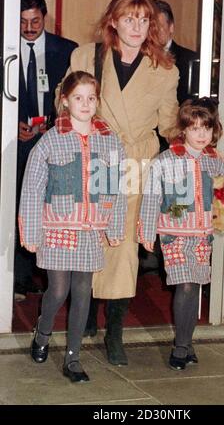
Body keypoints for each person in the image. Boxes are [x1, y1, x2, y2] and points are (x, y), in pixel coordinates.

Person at [63, 0, 179, 365]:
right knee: (90, 241)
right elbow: (63, 107)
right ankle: (86, 318)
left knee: (124, 249)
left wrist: (198, 145)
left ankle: (115, 332)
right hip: (94, 157)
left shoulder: (165, 69)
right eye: (129, 18)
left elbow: (168, 125)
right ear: (113, 20)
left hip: (136, 163)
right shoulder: (86, 55)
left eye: (144, 19)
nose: (137, 26)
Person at [18, 71, 127, 382]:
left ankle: (73, 358)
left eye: (91, 98)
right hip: (56, 229)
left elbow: (115, 188)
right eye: (78, 98)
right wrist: (31, 232)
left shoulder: (109, 143)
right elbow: (33, 188)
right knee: (58, 290)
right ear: (65, 101)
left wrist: (114, 225)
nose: (85, 104)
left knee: (83, 292)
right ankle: (43, 331)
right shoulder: (50, 141)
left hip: (90, 230)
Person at [139, 97, 224, 370]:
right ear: (183, 130)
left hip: (202, 234)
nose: (201, 135)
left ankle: (187, 340)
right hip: (173, 234)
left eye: (206, 129)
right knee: (184, 285)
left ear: (214, 130)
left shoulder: (216, 162)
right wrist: (147, 231)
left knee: (194, 287)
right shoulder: (166, 161)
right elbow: (151, 197)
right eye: (194, 128)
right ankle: (181, 347)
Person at [15, 0, 78, 300]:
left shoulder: (66, 51)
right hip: (15, 142)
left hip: (55, 141)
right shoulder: (7, 47)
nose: (28, 27)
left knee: (51, 207)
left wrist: (54, 125)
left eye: (34, 21)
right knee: (18, 203)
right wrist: (11, 125)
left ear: (45, 17)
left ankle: (46, 275)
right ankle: (18, 276)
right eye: (23, 21)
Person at [152, 0, 199, 105]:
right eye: (150, 27)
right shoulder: (138, 57)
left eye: (159, 27)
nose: (153, 32)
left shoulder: (190, 60)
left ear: (171, 27)